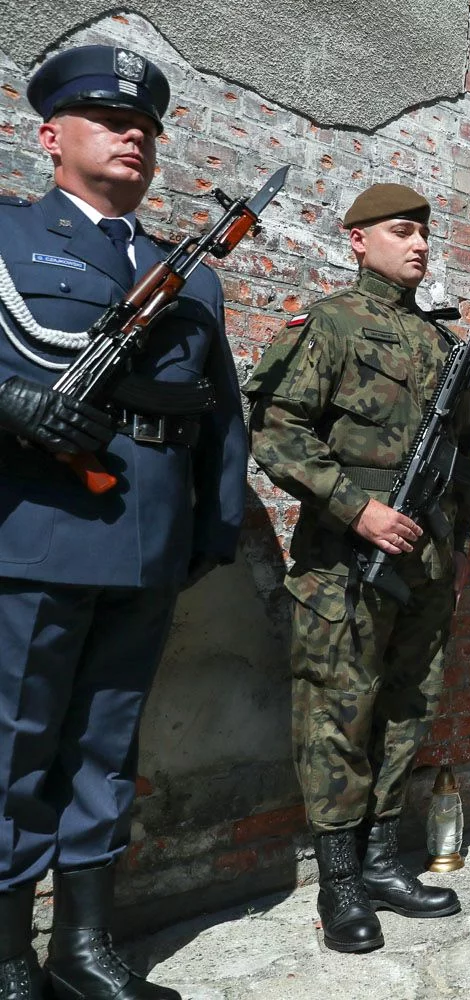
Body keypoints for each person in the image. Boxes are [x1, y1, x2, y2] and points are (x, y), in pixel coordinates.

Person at [0, 46, 248, 1000]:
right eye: (108, 119)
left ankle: (85, 949)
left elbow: (220, 416)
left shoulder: (190, 279)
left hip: (146, 545)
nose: (133, 134)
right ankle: (8, 953)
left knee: (108, 750)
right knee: (16, 743)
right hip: (36, 531)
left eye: (145, 124)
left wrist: (212, 532)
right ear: (51, 136)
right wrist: (10, 400)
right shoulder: (10, 240)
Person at [244, 184, 470, 953]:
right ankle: (340, 885)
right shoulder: (333, 324)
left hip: (427, 563)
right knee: (336, 715)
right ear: (357, 240)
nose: (417, 246)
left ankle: (383, 863)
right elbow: (276, 430)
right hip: (346, 565)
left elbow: (462, 463)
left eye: (423, 234)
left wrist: (453, 547)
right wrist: (357, 508)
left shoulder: (441, 345)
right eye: (401, 232)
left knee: (409, 706)